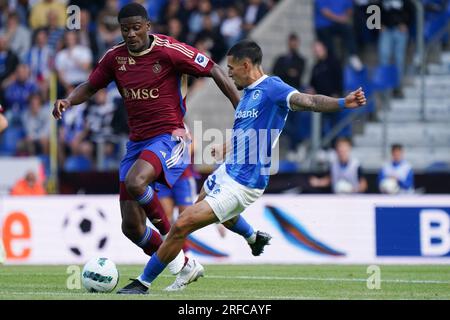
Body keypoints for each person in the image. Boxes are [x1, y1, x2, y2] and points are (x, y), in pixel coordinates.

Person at [117, 40, 366, 294]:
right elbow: (246, 132)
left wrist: (343, 103)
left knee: (182, 224)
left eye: (232, 68)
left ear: (246, 65)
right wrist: (227, 146)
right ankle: (253, 237)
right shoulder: (247, 95)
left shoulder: (273, 89)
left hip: (245, 181)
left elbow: (309, 101)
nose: (229, 73)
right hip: (228, 170)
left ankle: (143, 282)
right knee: (215, 210)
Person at [52, 3, 265, 291]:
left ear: (148, 26)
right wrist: (68, 100)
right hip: (137, 143)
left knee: (136, 181)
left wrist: (240, 108)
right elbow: (90, 86)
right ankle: (184, 265)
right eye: (125, 29)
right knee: (132, 227)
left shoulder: (169, 51)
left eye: (136, 27)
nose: (131, 34)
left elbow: (214, 69)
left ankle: (172, 239)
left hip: (170, 137)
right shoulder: (115, 58)